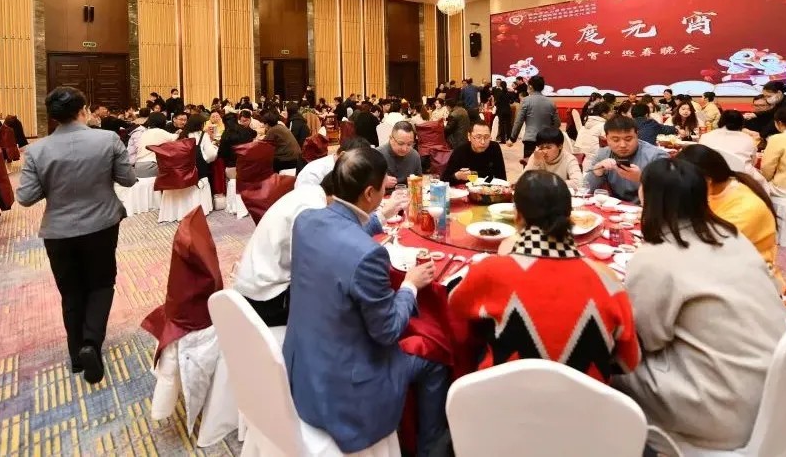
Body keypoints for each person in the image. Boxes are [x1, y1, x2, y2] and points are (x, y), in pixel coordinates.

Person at [283, 148, 448, 454]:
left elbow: (341, 230)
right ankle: (428, 448)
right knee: (435, 353)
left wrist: (379, 217)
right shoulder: (369, 255)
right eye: (384, 187)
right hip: (348, 393)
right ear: (370, 193)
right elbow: (388, 330)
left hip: (304, 372)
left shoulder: (305, 221)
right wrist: (409, 286)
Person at [613, 158, 785, 451]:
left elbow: (644, 341)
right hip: (771, 394)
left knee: (600, 364)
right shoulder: (731, 235)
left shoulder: (656, 256)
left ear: (648, 197)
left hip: (718, 408)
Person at [449, 170, 639, 378]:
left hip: (500, 394)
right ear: (570, 216)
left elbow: (455, 306)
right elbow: (629, 362)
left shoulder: (490, 270)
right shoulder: (609, 281)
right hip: (586, 399)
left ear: (517, 216)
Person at [16, 86, 137, 384]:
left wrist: (53, 182)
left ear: (53, 117)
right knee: (101, 284)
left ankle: (75, 354)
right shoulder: (107, 139)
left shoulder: (36, 150)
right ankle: (90, 343)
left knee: (71, 291)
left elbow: (26, 197)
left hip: (58, 231)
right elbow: (128, 179)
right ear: (84, 110)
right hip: (101, 225)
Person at [236, 157, 405, 327]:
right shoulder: (314, 210)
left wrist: (380, 217)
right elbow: (333, 255)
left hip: (256, 286)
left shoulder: (312, 193)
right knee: (352, 295)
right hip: (268, 299)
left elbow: (339, 239)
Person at [676, 145, 783, 289]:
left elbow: (708, 251)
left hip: (750, 283)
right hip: (723, 268)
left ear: (707, 181)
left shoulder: (745, 207)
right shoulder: (715, 191)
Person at [583, 115, 668, 203]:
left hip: (646, 207)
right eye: (616, 140)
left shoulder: (656, 156)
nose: (622, 145)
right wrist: (597, 172)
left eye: (628, 139)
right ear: (606, 139)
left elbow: (667, 194)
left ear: (637, 135)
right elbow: (584, 189)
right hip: (615, 206)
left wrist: (642, 179)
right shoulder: (603, 154)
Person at [509, 75, 560, 160]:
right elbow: (557, 123)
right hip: (546, 141)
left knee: (529, 165)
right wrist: (548, 133)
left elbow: (519, 121)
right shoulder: (551, 102)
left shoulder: (526, 101)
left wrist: (512, 138)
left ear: (530, 86)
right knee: (545, 165)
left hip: (530, 140)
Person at [442, 121, 507, 183]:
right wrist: (457, 176)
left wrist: (473, 173)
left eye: (486, 137)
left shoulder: (494, 147)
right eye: (478, 137)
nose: (483, 142)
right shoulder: (460, 151)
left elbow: (501, 177)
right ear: (469, 136)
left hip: (487, 188)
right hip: (465, 189)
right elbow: (444, 179)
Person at [133, 112, 176, 178]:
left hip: (138, 166)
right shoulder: (159, 132)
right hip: (150, 166)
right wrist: (180, 132)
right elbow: (176, 138)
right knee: (176, 169)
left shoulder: (145, 132)